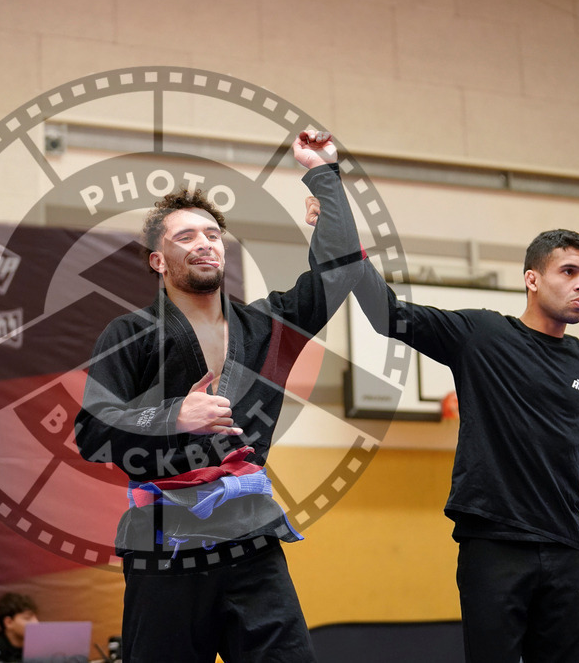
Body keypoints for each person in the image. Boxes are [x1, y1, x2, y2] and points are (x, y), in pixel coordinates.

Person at [318, 209, 579, 663]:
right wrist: (337, 231)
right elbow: (388, 315)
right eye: (569, 271)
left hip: (564, 547)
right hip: (494, 544)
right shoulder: (482, 335)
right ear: (532, 279)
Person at [75, 131, 365, 663]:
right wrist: (171, 415)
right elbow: (92, 432)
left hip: (251, 539)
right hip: (164, 547)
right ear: (158, 262)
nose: (206, 243)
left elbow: (340, 270)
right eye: (186, 237)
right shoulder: (130, 333)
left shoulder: (267, 326)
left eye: (212, 233)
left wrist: (324, 174)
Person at [0, 592, 39, 662]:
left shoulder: (40, 647)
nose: (36, 623)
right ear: (9, 622)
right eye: (27, 618)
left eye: (36, 618)